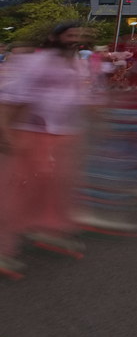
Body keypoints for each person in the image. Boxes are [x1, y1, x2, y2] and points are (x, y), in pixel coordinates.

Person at [0, 22, 93, 277]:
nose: (75, 39)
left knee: (57, 184)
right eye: (69, 35)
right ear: (54, 37)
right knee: (19, 189)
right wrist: (5, 132)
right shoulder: (37, 62)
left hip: (62, 133)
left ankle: (48, 227)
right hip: (31, 131)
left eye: (78, 36)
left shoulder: (76, 62)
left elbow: (80, 96)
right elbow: (11, 96)